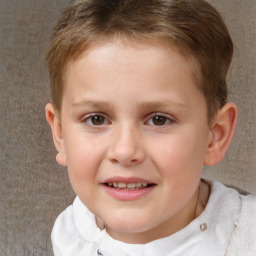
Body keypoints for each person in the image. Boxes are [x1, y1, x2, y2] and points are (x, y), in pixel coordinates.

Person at [45, 0, 256, 255]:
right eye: (96, 119)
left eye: (159, 119)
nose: (124, 151)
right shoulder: (71, 233)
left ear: (215, 136)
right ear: (60, 134)